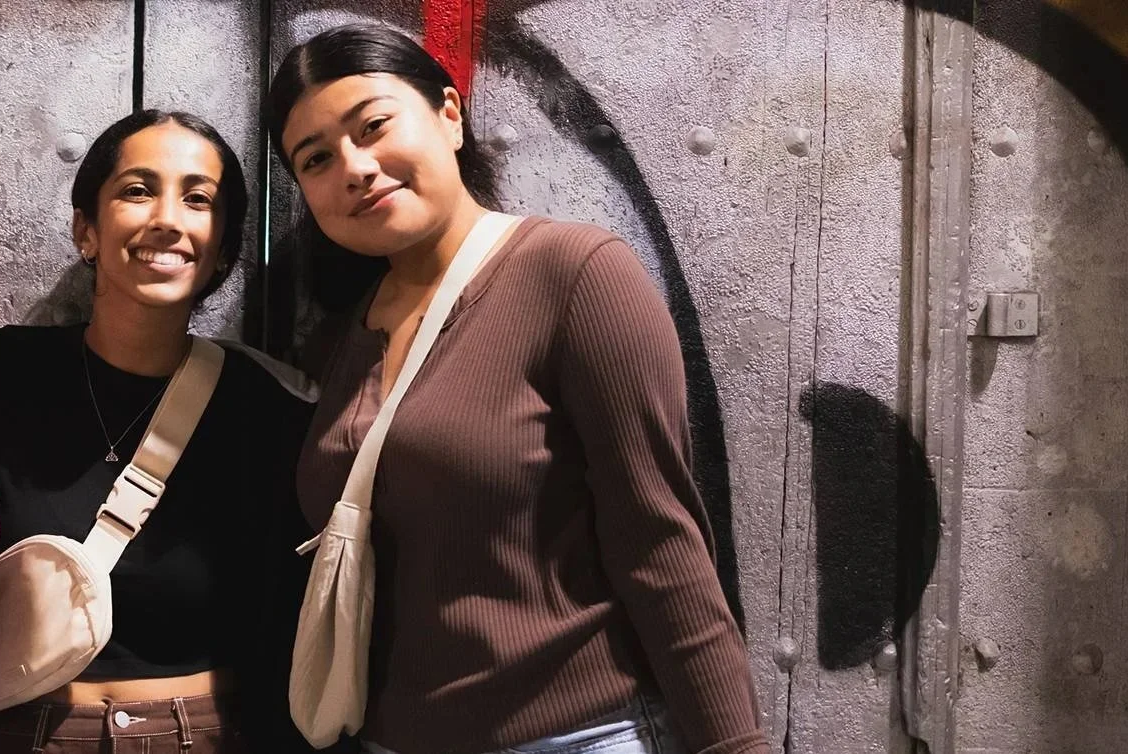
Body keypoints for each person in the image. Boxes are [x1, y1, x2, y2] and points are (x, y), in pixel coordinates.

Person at [269, 23, 770, 754]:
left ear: (448, 113)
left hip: (575, 737)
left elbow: (658, 544)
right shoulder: (347, 335)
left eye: (373, 126)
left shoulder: (573, 274)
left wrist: (733, 746)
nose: (355, 167)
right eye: (316, 158)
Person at [0, 109, 317, 754]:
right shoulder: (1, 374)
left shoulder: (268, 409)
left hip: (199, 733)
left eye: (198, 199)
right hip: (15, 733)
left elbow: (283, 626)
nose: (167, 219)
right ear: (86, 229)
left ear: (225, 247)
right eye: (137, 191)